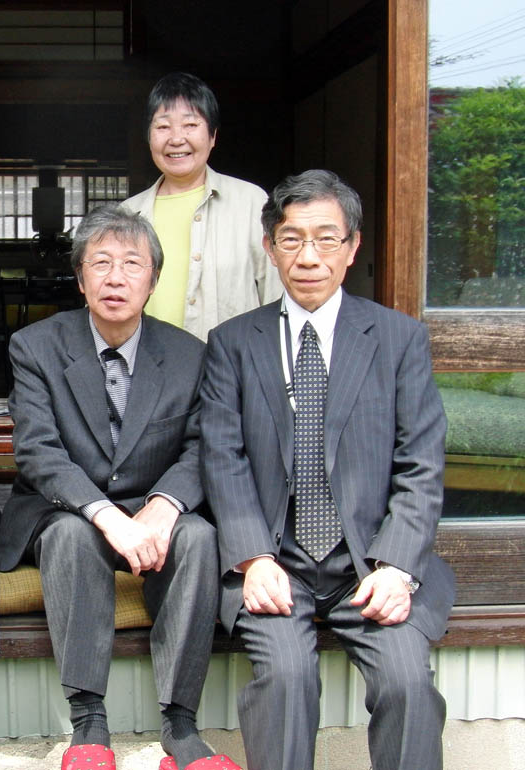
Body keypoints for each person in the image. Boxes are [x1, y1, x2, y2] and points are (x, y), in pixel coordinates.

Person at [200, 170, 454, 770]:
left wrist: (396, 566)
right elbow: (222, 456)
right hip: (276, 561)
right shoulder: (233, 343)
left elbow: (421, 463)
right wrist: (253, 556)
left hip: (370, 562)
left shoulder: (398, 339)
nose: (308, 257)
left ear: (352, 246)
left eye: (326, 239)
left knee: (406, 683)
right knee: (286, 679)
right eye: (291, 239)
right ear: (270, 248)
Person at [0, 206, 241, 770]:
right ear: (80, 279)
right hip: (67, 507)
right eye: (100, 263)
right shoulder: (35, 346)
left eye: (132, 264)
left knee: (198, 537)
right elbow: (38, 452)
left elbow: (202, 447)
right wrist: (106, 515)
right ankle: (88, 721)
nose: (115, 278)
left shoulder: (189, 355)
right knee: (72, 536)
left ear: (153, 281)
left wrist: (164, 506)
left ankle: (181, 724)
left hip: (151, 506)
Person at [123, 72, 282, 341]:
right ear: (149, 137)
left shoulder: (252, 203)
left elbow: (276, 297)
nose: (176, 139)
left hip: (231, 363)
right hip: (146, 363)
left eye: (190, 125)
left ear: (212, 136)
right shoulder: (126, 214)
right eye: (163, 127)